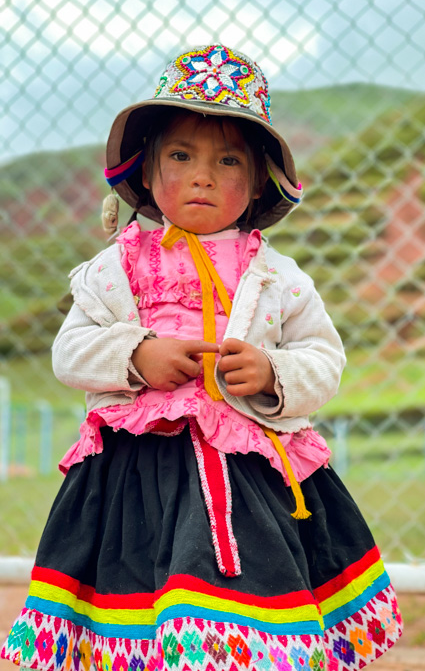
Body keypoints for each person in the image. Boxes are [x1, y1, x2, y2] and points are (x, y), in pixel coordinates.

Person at [1, 44, 402, 671]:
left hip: (248, 475)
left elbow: (323, 356)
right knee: (135, 608)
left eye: (228, 160)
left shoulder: (276, 276)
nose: (203, 175)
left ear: (261, 177)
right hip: (135, 475)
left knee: (239, 611)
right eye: (181, 156)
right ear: (148, 168)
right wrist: (137, 356)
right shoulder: (115, 268)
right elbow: (70, 351)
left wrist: (273, 373)